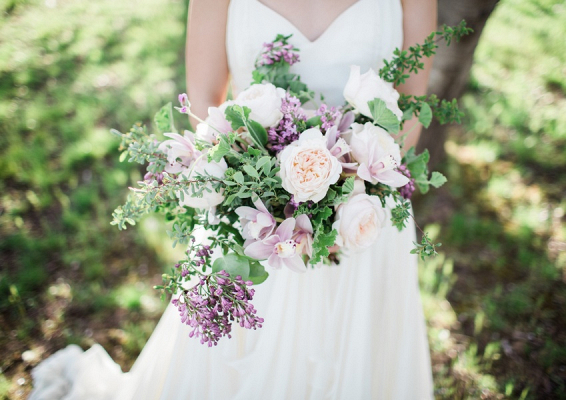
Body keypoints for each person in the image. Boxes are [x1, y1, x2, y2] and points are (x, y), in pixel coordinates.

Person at [30, 0, 436, 398]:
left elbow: (413, 104)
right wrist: (269, 187)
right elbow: (205, 97)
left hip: (365, 210)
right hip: (253, 215)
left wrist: (351, 190)